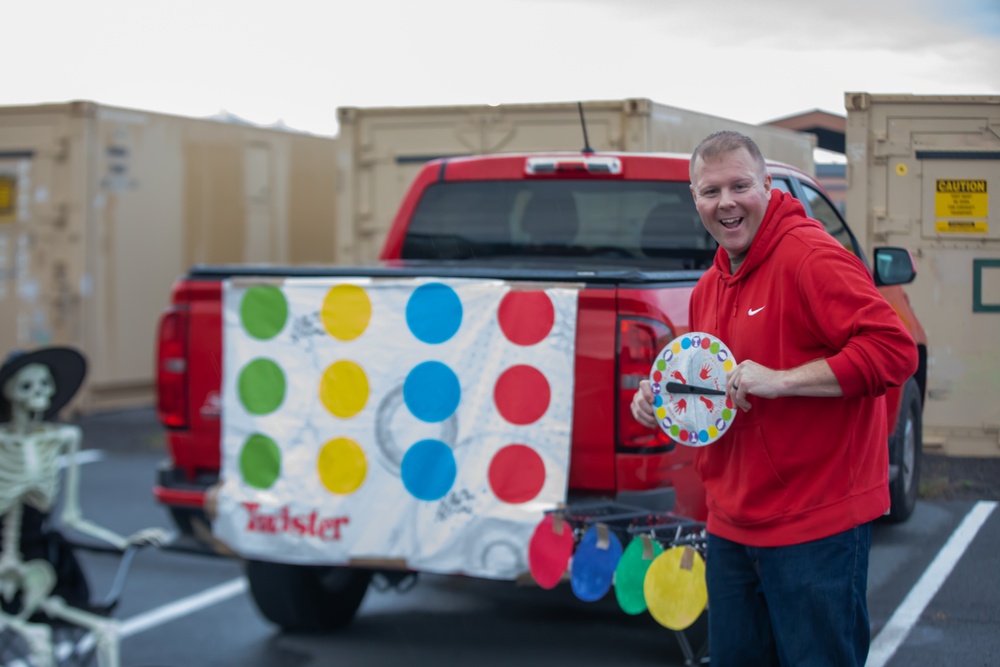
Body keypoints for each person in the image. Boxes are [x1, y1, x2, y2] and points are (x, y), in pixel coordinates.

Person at [630, 131, 918, 666]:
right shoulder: (707, 288)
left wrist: (784, 380)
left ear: (766, 185)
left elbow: (895, 350)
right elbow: (714, 393)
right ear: (694, 199)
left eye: (740, 186)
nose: (727, 202)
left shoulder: (812, 258)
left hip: (816, 524)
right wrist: (661, 399)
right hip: (732, 525)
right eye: (710, 191)